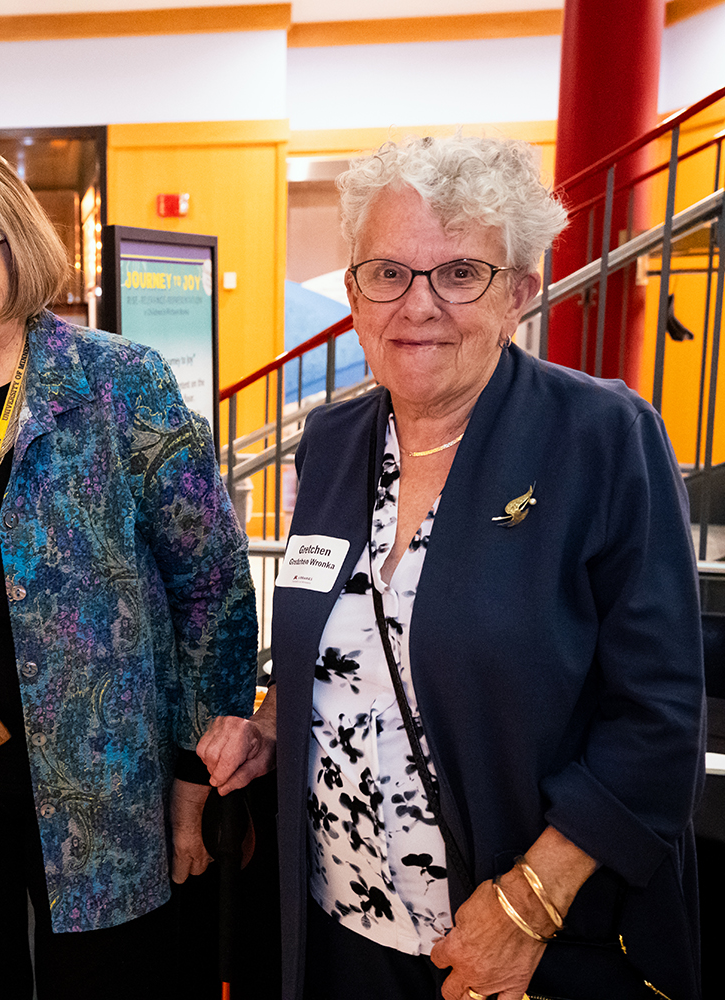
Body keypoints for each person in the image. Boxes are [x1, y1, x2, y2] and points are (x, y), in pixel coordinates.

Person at [199, 135, 705, 1000]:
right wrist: (275, 727)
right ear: (355, 295)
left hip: (515, 948)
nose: (418, 304)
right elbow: (333, 643)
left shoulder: (601, 438)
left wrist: (526, 908)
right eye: (388, 272)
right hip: (339, 932)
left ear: (520, 292)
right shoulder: (331, 445)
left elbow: (658, 716)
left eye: (459, 272)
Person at [0, 134, 259, 1000]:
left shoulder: (120, 385)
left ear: (17, 250)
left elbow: (213, 592)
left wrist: (195, 775)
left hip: (106, 793)